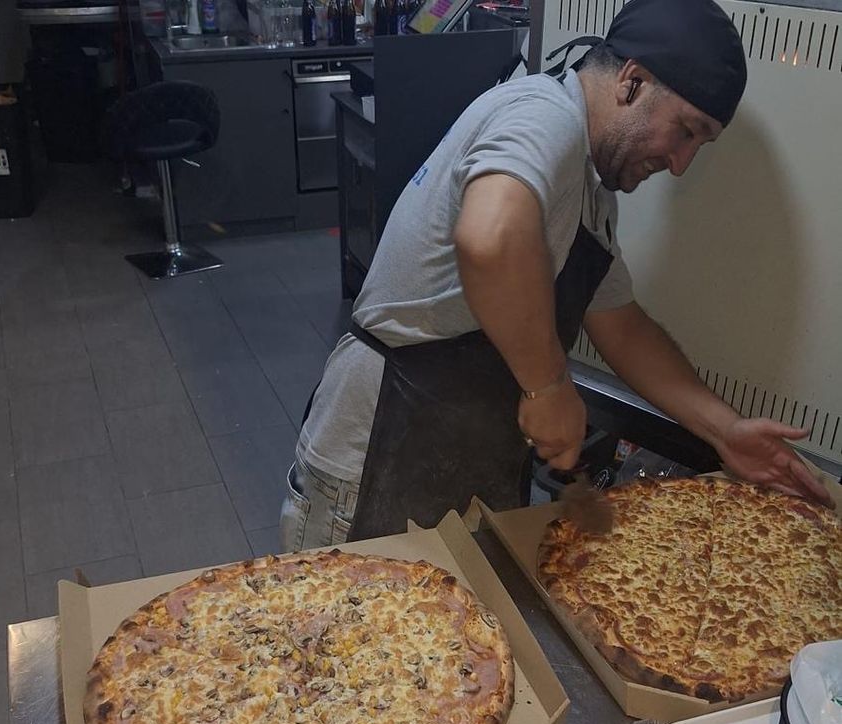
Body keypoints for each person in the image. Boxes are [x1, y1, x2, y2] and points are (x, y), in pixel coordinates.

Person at [281, 0, 833, 551]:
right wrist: (548, 387)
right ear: (632, 82)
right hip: (377, 449)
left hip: (464, 460)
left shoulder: (592, 194)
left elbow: (622, 326)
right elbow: (490, 239)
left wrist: (724, 430)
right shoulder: (544, 116)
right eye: (686, 131)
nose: (681, 163)